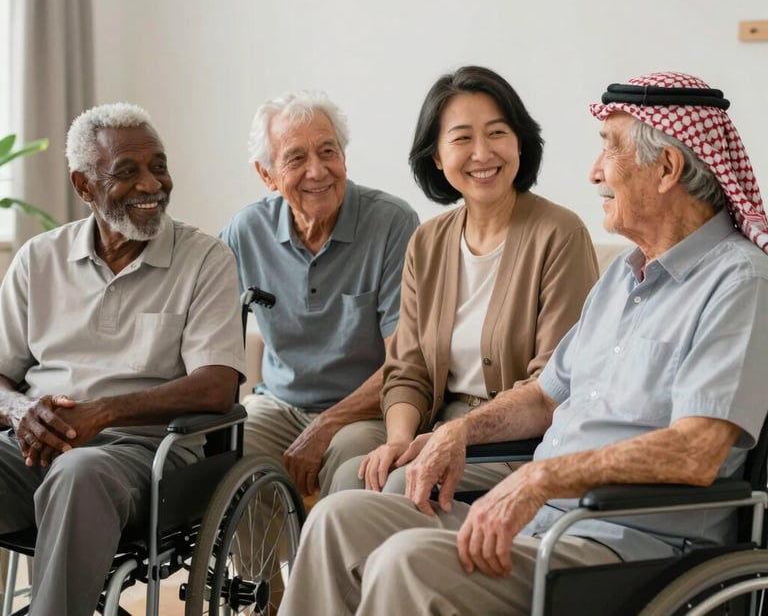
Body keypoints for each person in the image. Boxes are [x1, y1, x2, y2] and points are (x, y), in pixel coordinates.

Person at [276, 71, 768, 616]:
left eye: (609, 150)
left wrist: (540, 477)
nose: (594, 172)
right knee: (338, 519)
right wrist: (456, 432)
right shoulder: (625, 278)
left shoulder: (739, 284)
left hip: (628, 548)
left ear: (667, 169)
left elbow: (697, 451)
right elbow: (543, 396)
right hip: (547, 524)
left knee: (406, 561)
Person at [0, 103, 246, 616]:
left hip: (143, 456)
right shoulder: (38, 259)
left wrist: (103, 412)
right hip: (32, 450)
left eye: (158, 166)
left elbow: (216, 387)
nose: (151, 185)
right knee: (66, 467)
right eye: (127, 171)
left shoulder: (205, 260)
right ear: (84, 186)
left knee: (80, 473)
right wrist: (22, 411)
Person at [331, 65, 599, 494]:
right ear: (436, 156)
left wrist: (450, 435)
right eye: (461, 138)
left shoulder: (560, 234)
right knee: (350, 459)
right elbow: (408, 368)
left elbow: (555, 381)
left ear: (519, 142)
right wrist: (399, 440)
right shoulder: (428, 241)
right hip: (439, 421)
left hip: (518, 438)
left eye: (497, 133)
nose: (482, 153)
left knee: (395, 486)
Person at [220, 90, 419, 498]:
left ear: (344, 157)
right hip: (278, 404)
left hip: (368, 409)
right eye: (295, 158)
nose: (317, 171)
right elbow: (203, 321)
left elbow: (404, 361)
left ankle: (324, 562)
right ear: (267, 175)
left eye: (328, 151)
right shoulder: (247, 232)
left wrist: (326, 423)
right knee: (227, 453)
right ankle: (261, 566)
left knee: (352, 464)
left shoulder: (392, 224)